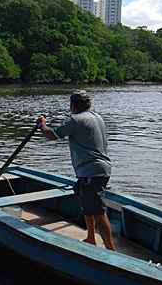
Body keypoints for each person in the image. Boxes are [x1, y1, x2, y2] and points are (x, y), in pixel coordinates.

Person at [37, 90, 115, 251]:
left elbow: (52, 135)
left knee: (98, 211)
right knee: (86, 201)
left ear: (73, 105)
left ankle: (111, 250)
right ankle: (91, 237)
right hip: (97, 170)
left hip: (92, 172)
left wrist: (42, 124)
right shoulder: (97, 117)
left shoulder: (75, 120)